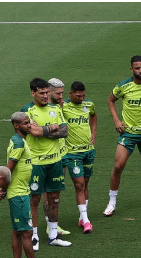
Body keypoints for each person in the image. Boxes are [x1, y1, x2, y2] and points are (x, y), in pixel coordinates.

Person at [105, 55, 141, 215]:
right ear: (131, 69)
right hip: (128, 133)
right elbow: (110, 100)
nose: (140, 70)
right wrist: (117, 120)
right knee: (118, 166)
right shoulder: (123, 86)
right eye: (137, 68)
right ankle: (111, 203)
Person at [21, 78, 72, 249]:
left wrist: (42, 131)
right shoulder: (27, 111)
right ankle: (34, 236)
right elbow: (31, 132)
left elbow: (65, 132)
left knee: (54, 198)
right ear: (32, 93)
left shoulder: (55, 108)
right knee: (34, 199)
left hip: (56, 161)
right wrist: (52, 128)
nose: (45, 96)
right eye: (41, 93)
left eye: (46, 92)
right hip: (36, 162)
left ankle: (53, 235)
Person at [6, 112, 52, 258]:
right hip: (18, 194)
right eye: (25, 123)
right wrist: (3, 188)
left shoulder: (19, 140)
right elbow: (8, 169)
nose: (29, 125)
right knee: (27, 232)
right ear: (16, 125)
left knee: (17, 231)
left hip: (20, 191)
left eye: (29, 122)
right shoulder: (18, 143)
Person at [61, 81, 97, 233]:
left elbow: (93, 116)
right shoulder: (63, 107)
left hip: (88, 151)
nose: (82, 98)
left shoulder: (89, 105)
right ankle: (86, 221)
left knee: (85, 183)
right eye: (78, 96)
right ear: (70, 94)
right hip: (72, 153)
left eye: (83, 95)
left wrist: (93, 132)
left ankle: (82, 217)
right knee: (79, 184)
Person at [44, 78, 72, 238]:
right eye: (58, 93)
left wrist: (46, 132)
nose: (62, 96)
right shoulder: (41, 108)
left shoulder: (59, 106)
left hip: (61, 154)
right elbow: (36, 132)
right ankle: (48, 225)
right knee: (44, 193)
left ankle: (52, 225)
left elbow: (64, 131)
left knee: (55, 193)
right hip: (44, 157)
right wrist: (47, 132)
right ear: (48, 92)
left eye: (62, 92)